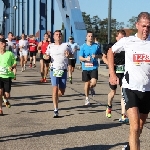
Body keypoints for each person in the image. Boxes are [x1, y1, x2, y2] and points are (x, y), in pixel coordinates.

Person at [107, 12, 150, 150]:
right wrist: (112, 73)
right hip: (130, 87)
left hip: (147, 90)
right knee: (135, 125)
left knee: (140, 127)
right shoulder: (127, 41)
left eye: (148, 27)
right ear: (137, 25)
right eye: (143, 26)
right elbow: (110, 52)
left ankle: (129, 145)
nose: (146, 29)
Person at [44, 30, 72, 117]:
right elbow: (45, 55)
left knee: (62, 91)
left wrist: (69, 55)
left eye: (60, 34)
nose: (58, 36)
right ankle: (56, 109)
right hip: (54, 69)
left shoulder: (66, 45)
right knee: (55, 89)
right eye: (56, 34)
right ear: (53, 36)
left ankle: (55, 97)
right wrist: (46, 57)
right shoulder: (50, 46)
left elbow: (72, 55)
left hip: (63, 69)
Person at [103, 30, 129, 123]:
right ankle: (109, 105)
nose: (122, 39)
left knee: (123, 92)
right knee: (113, 92)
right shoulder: (112, 47)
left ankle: (123, 115)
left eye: (124, 37)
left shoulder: (127, 46)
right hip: (114, 72)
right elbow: (104, 57)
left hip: (124, 71)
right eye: (120, 37)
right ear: (116, 38)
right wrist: (110, 64)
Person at [79, 31, 101, 105]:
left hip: (94, 67)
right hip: (85, 68)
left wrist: (96, 56)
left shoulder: (96, 46)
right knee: (87, 83)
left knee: (94, 83)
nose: (90, 37)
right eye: (89, 36)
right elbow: (80, 58)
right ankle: (87, 98)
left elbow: (100, 55)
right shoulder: (83, 47)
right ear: (86, 37)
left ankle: (92, 87)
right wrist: (85, 59)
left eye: (91, 36)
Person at [0, 38, 17, 115]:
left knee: (7, 94)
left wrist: (12, 67)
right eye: (2, 43)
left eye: (5, 43)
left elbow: (15, 63)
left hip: (7, 76)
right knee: (0, 92)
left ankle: (5, 99)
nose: (4, 44)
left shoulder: (9, 53)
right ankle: (0, 109)